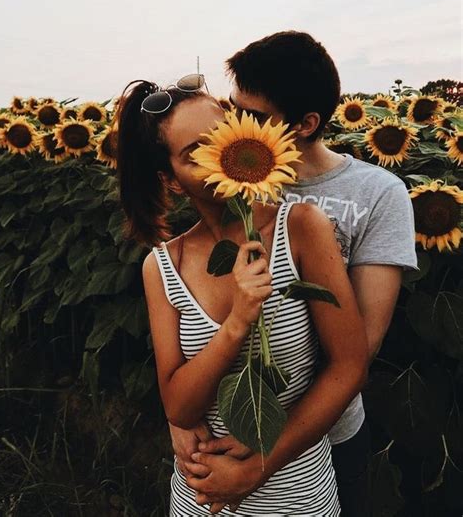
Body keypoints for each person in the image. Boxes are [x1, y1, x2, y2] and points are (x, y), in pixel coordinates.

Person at [169, 31, 418, 516]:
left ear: (306, 124)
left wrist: (266, 445)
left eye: (255, 116)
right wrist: (180, 413)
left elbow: (361, 344)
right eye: (233, 107)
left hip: (323, 433)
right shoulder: (230, 180)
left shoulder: (377, 194)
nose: (238, 123)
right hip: (227, 428)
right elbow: (193, 296)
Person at [117, 76, 368, 515]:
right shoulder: (163, 267)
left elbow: (350, 365)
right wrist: (236, 322)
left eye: (220, 137)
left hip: (297, 496)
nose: (218, 155)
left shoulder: (301, 228)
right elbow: (179, 406)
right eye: (195, 153)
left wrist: (260, 465)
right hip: (201, 498)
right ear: (171, 181)